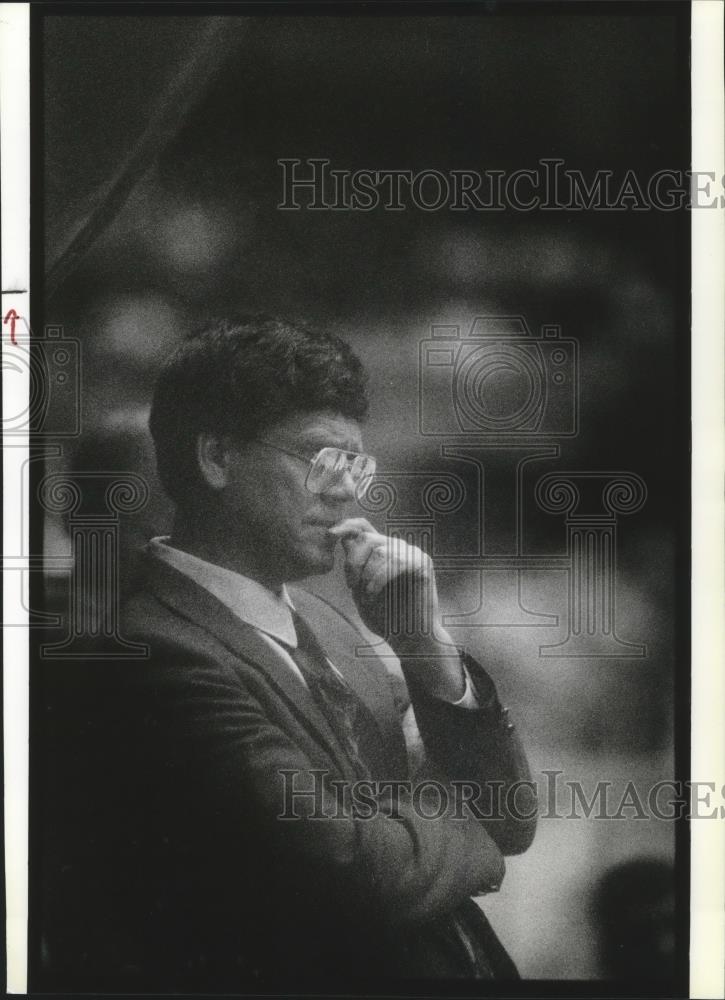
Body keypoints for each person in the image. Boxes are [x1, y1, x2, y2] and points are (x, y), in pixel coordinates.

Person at [39, 315, 536, 992]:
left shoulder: (331, 624)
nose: (346, 489)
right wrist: (459, 818)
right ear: (215, 457)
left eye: (355, 463)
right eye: (318, 458)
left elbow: (508, 815)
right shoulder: (152, 653)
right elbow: (353, 874)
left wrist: (424, 646)